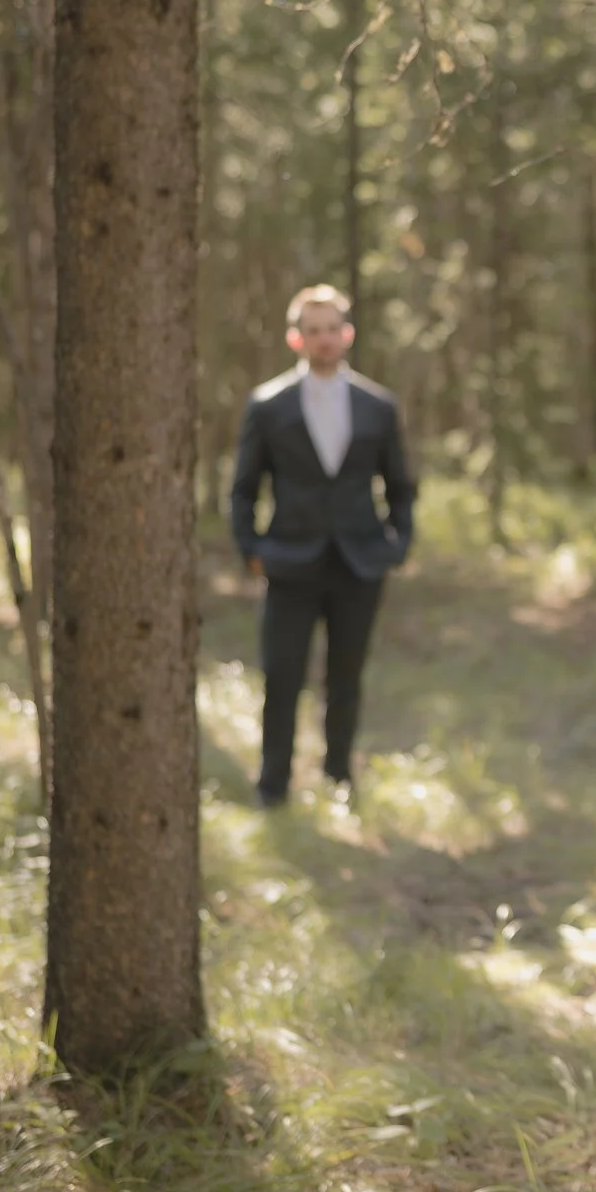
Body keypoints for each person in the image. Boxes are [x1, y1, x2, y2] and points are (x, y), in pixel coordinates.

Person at [231, 285, 416, 807]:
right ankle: (274, 786)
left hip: (359, 563)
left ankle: (339, 779)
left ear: (347, 334)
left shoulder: (378, 406)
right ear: (297, 338)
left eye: (332, 329)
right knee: (283, 677)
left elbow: (400, 484)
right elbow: (244, 487)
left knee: (346, 677)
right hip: (289, 562)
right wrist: (250, 547)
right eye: (313, 330)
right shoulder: (268, 406)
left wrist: (397, 543)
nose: (324, 339)